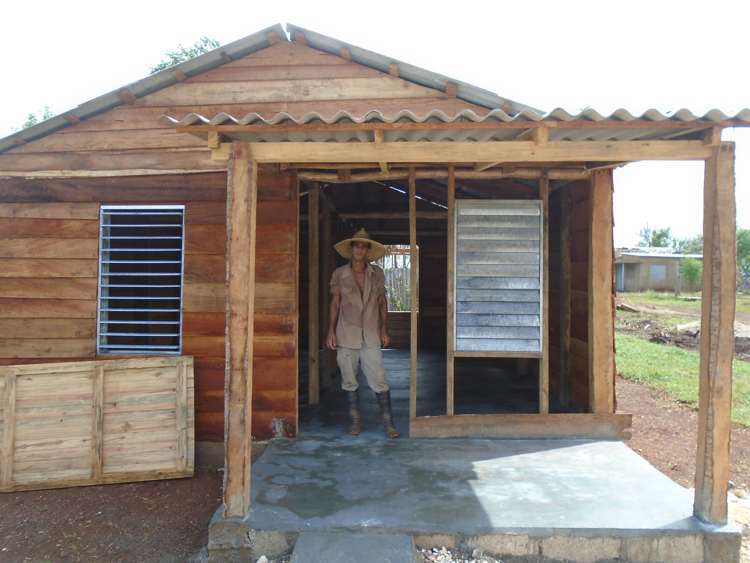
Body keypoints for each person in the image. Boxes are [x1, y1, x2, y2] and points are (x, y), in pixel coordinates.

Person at [326, 228, 400, 439]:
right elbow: (335, 303)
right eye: (356, 245)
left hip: (370, 334)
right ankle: (355, 421)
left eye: (363, 246)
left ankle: (389, 424)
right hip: (346, 333)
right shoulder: (340, 274)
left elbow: (382, 302)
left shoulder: (376, 273)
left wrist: (384, 328)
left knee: (379, 378)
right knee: (349, 380)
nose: (359, 249)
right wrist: (330, 331)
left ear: (368, 250)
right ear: (351, 249)